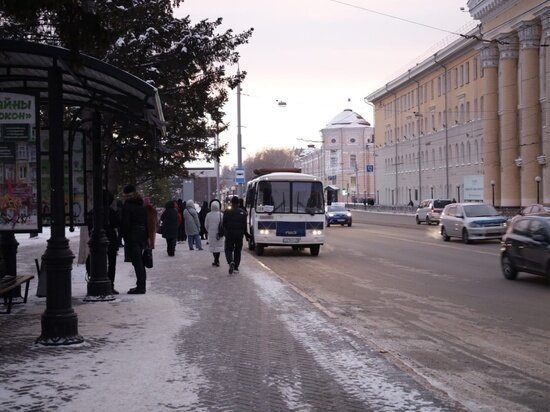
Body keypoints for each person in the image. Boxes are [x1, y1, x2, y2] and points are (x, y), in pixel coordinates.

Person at [85, 190, 120, 294]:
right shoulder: (112, 212)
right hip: (111, 240)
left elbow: (89, 226)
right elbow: (117, 224)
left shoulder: (92, 212)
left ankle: (96, 279)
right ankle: (110, 284)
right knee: (111, 263)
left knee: (97, 261)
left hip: (96, 241)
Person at [120, 184, 148, 294]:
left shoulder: (127, 205)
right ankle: (141, 285)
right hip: (141, 234)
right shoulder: (141, 203)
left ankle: (141, 287)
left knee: (137, 262)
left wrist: (122, 236)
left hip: (132, 235)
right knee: (140, 261)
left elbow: (125, 223)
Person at [223, 196, 250, 275]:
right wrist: (246, 235)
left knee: (228, 249)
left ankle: (230, 261)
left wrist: (225, 233)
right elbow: (244, 226)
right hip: (239, 235)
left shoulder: (227, 212)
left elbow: (224, 224)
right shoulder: (243, 213)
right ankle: (236, 267)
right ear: (238, 203)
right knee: (237, 251)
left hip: (230, 234)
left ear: (231, 202)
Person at [205, 199, 224, 266]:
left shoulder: (208, 215)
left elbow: (206, 225)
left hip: (211, 233)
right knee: (218, 247)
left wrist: (209, 231)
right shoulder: (221, 214)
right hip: (219, 233)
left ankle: (216, 260)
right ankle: (217, 260)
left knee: (213, 247)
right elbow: (224, 224)